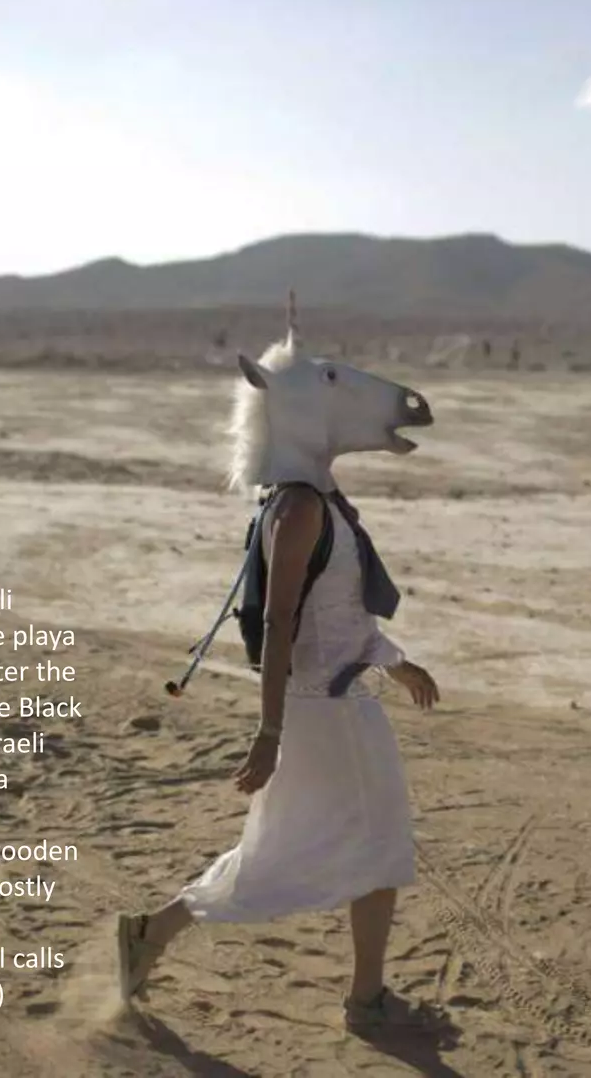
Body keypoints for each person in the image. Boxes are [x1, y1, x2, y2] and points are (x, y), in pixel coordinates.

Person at [116, 325, 441, 1034]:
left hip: (333, 701)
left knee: (305, 847)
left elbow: (337, 616)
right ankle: (366, 1002)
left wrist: (394, 660)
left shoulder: (310, 505)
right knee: (369, 844)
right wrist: (269, 733)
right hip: (324, 710)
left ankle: (153, 933)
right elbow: (286, 628)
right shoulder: (299, 511)